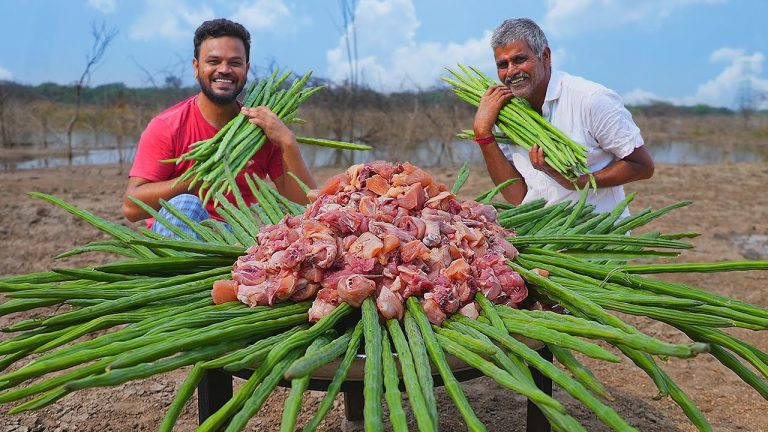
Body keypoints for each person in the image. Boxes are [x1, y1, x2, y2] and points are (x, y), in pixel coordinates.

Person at [122, 18, 316, 236]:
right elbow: (131, 208)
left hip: (236, 237)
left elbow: (305, 207)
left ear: (246, 69)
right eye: (213, 61)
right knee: (185, 205)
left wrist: (288, 142)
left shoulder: (261, 130)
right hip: (176, 239)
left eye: (235, 63)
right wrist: (199, 178)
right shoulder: (167, 126)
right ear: (196, 67)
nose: (224, 69)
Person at [473, 18, 654, 215]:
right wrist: (483, 134)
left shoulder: (592, 99)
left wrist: (576, 182)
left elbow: (642, 166)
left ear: (545, 56)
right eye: (502, 64)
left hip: (597, 230)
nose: (511, 71)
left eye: (519, 60)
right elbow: (517, 195)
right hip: (543, 232)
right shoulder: (505, 114)